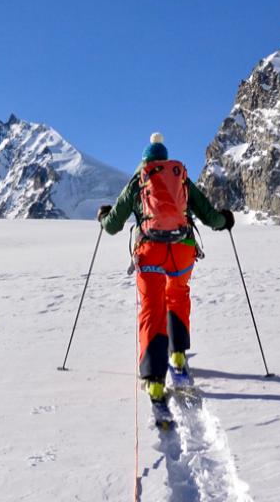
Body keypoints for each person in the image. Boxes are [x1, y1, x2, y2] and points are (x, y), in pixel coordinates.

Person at [97, 132, 233, 405]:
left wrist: (103, 217)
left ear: (144, 162)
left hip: (151, 254)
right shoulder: (180, 177)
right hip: (182, 251)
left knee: (152, 308)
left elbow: (113, 225)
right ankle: (178, 354)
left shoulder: (139, 181)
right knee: (178, 296)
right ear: (165, 159)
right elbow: (209, 215)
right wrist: (225, 220)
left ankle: (155, 380)